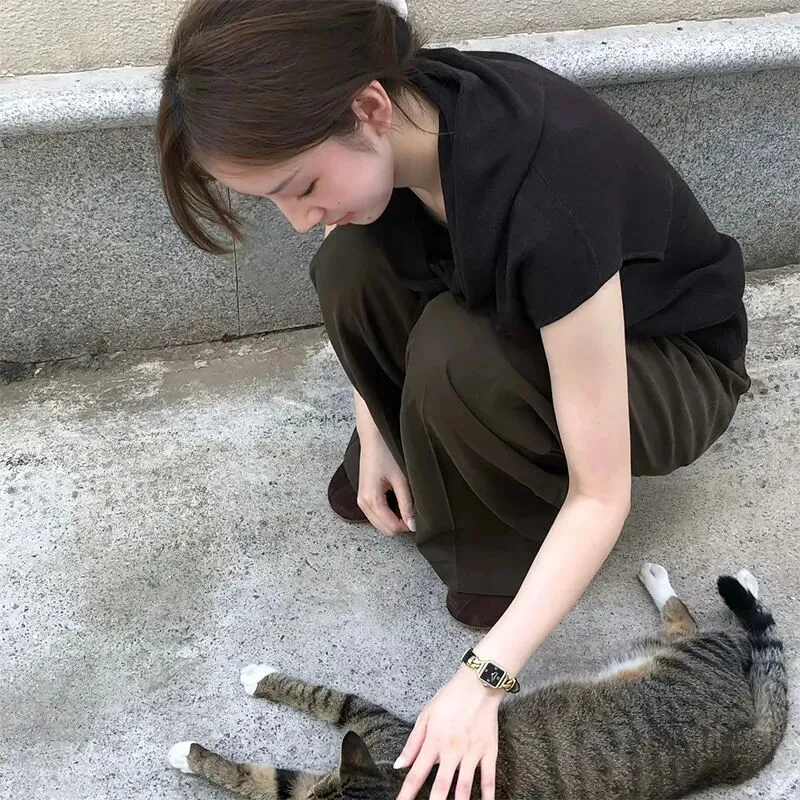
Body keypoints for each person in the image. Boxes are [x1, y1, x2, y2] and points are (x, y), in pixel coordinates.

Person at [155, 1, 751, 799]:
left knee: (458, 354)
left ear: (369, 108)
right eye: (273, 200)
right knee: (348, 262)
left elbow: (601, 496)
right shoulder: (404, 111)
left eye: (301, 187)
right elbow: (348, 243)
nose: (296, 218)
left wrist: (483, 679)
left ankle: (495, 546)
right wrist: (375, 427)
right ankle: (430, 444)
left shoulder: (545, 194)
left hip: (671, 364)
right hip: (541, 316)